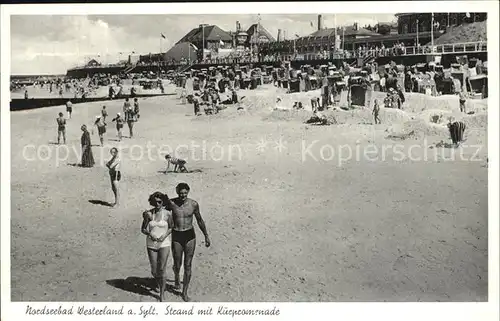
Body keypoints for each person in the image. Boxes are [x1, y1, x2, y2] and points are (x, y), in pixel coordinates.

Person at [170, 183, 210, 302]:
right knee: (177, 263)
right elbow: (158, 207)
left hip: (189, 235)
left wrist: (206, 235)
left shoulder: (193, 204)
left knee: (188, 264)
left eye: (185, 193)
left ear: (188, 192)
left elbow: (199, 220)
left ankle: (184, 292)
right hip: (177, 234)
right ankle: (177, 276)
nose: (182, 195)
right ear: (177, 192)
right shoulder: (171, 203)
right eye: (180, 193)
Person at [141, 192, 173, 302]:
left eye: (160, 202)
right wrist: (151, 234)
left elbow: (171, 227)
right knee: (154, 270)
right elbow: (143, 229)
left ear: (163, 202)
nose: (157, 204)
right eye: (155, 202)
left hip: (164, 243)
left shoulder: (168, 214)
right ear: (152, 202)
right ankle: (158, 282)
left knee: (162, 269)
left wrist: (164, 236)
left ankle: (161, 294)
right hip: (151, 243)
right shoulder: (149, 214)